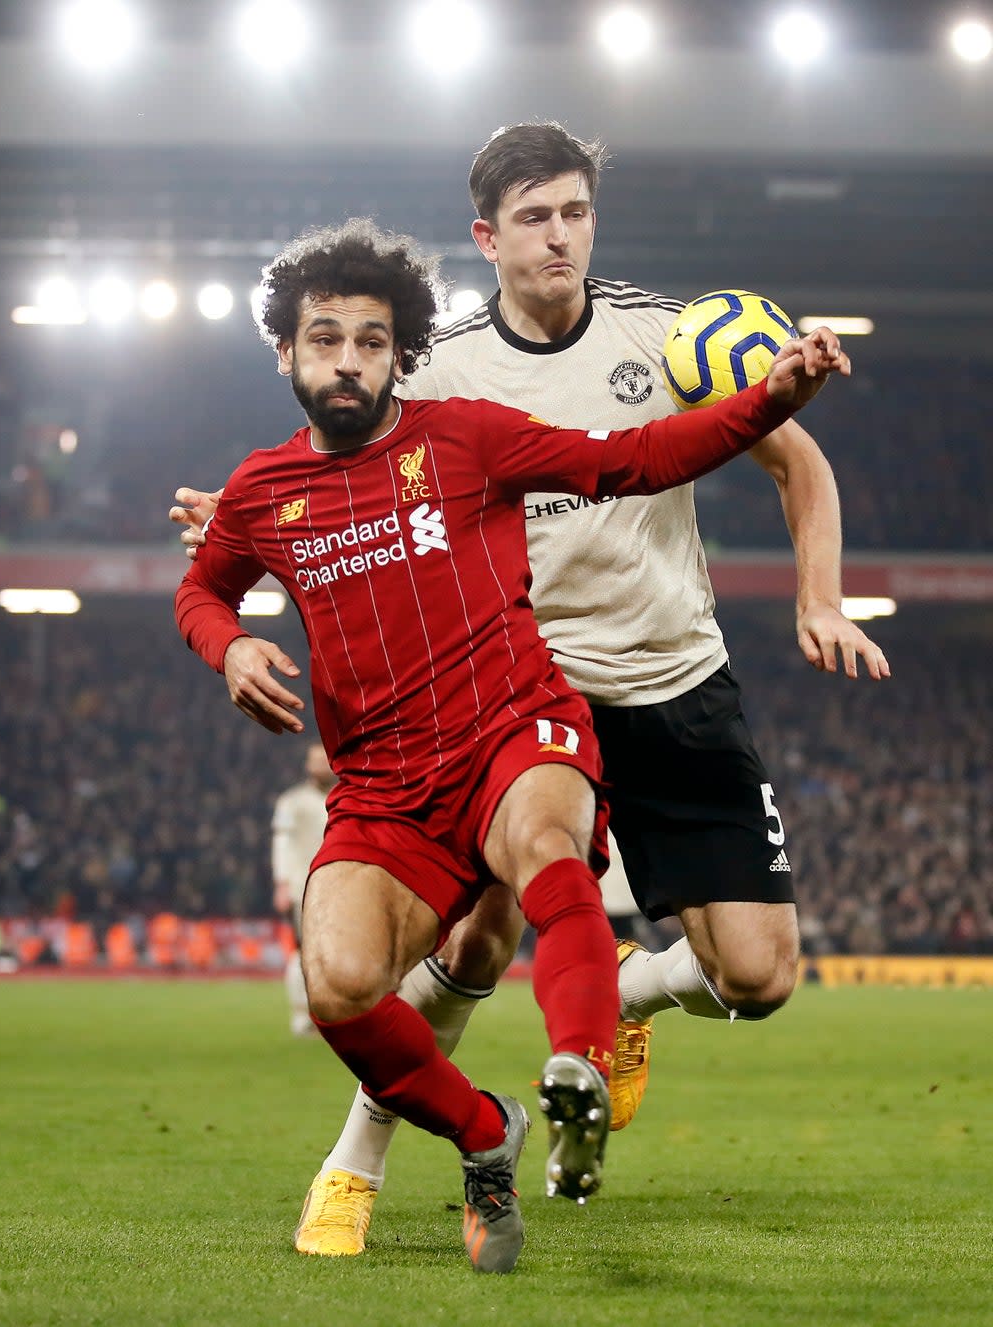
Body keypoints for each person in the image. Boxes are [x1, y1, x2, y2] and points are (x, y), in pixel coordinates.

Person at [170, 120, 885, 1259]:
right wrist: (246, 526)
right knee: (475, 942)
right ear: (486, 238)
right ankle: (357, 1160)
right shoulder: (436, 361)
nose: (561, 237)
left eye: (577, 212)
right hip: (516, 693)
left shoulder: (670, 332)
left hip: (674, 679)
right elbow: (335, 462)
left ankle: (626, 1003)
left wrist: (820, 595)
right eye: (536, 218)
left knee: (759, 976)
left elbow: (772, 457)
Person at [271, 741, 335, 1036]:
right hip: (304, 887)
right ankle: (302, 1016)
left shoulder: (350, 795)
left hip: (342, 886)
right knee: (303, 950)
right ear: (308, 765)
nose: (320, 765)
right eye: (315, 760)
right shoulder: (292, 802)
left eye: (325, 759)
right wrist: (282, 883)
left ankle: (338, 1014)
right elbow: (281, 844)